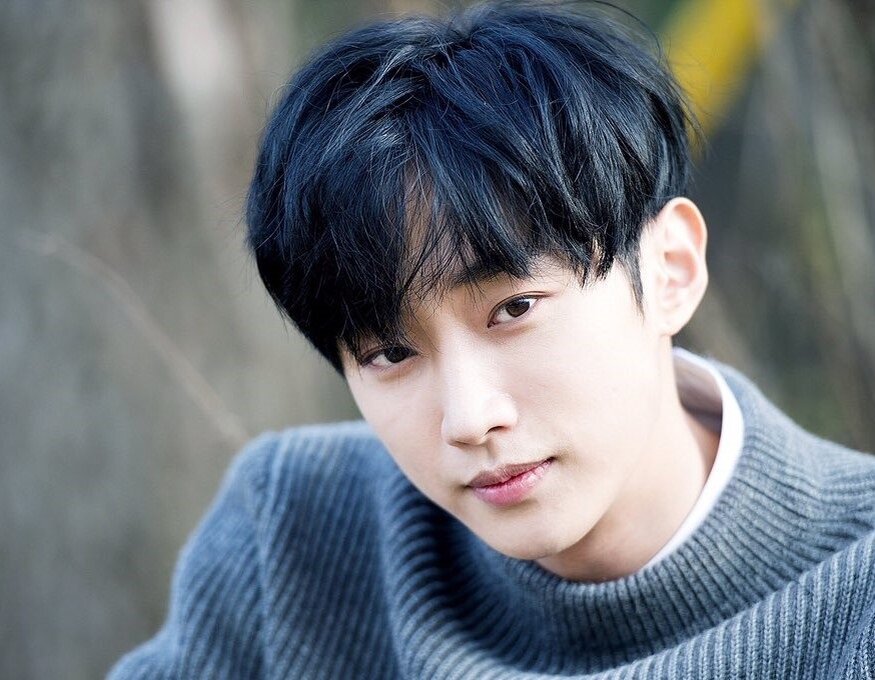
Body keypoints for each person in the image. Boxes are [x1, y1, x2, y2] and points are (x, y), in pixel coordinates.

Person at [109, 1, 875, 677]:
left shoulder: (855, 592)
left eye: (513, 309)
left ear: (670, 269)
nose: (469, 418)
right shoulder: (293, 536)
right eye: (391, 353)